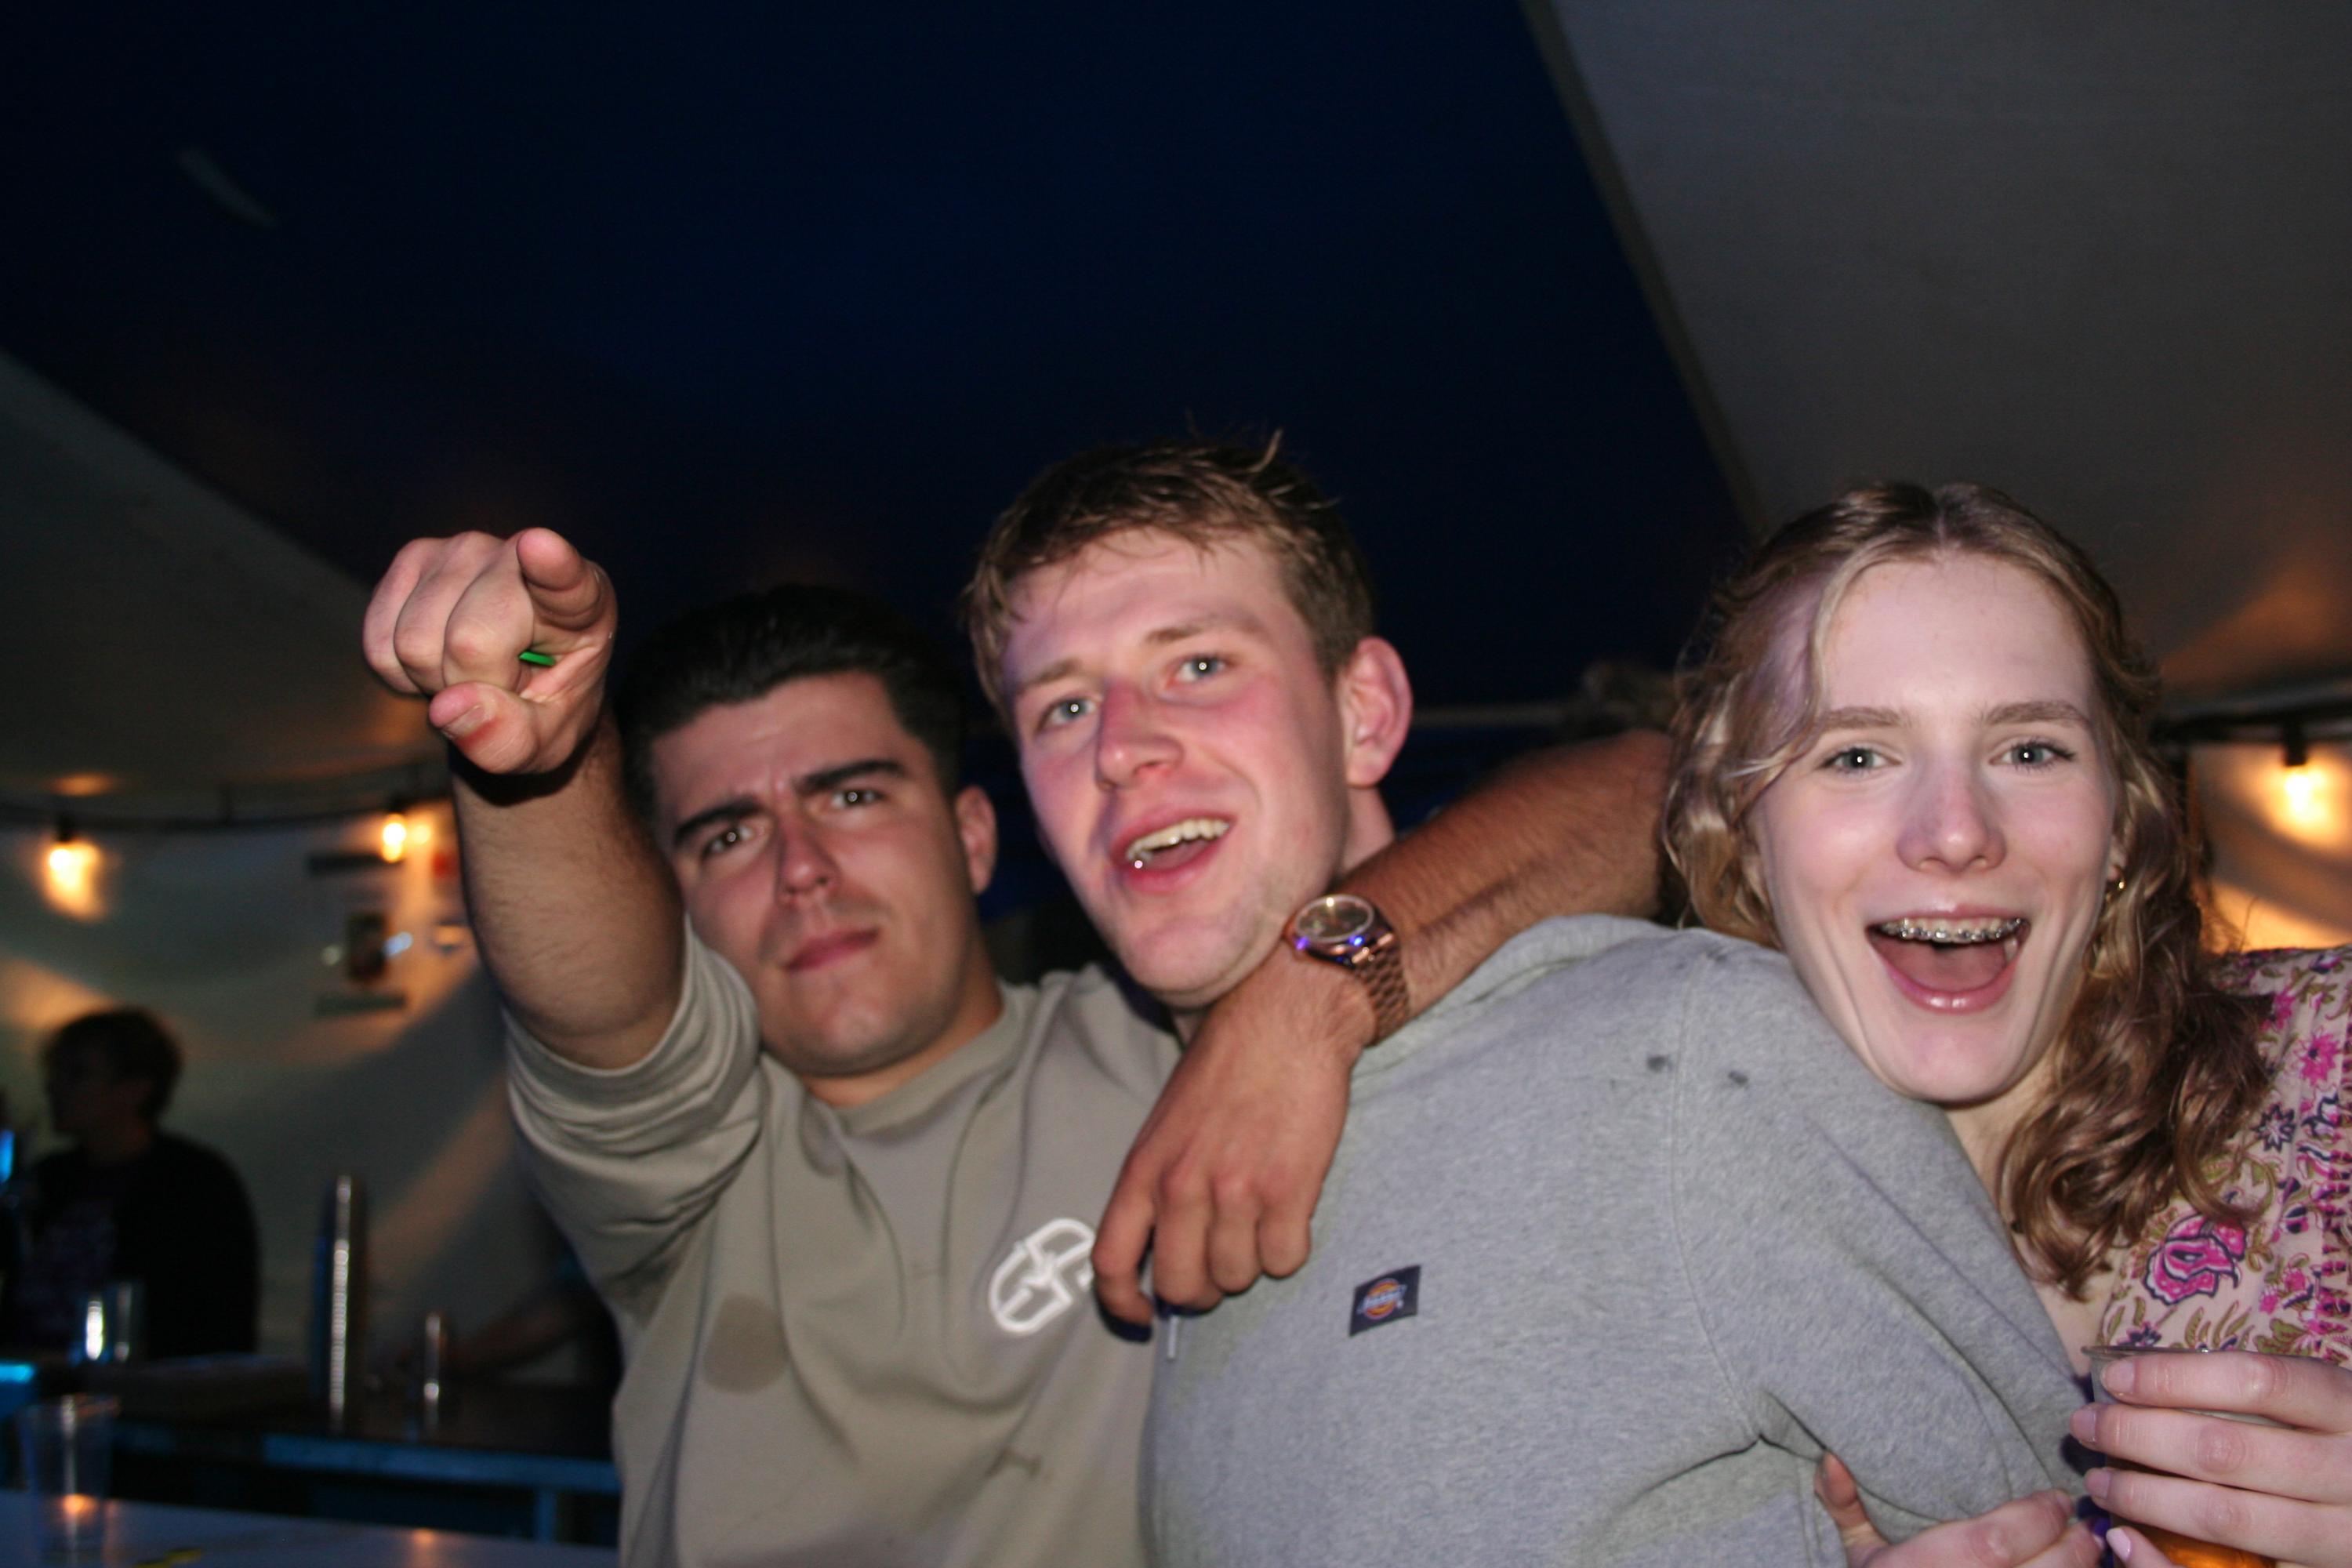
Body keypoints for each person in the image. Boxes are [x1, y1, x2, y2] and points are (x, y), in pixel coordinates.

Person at [361, 532, 1657, 1567]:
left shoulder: (1175, 1044)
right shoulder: (687, 1180)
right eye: (728, 835)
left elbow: (1647, 786)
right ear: (679, 904)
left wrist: (1304, 998)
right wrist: (537, 764)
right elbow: (591, 1002)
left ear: (977, 838)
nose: (802, 869)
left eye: (852, 795)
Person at [961, 438, 2085, 1566]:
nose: (1120, 749)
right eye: (1063, 708)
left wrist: (1310, 993)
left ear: (1364, 713)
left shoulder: (1687, 1056)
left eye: (1200, 664)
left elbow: (2047, 1520)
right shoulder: (1156, 1160)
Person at [1662, 481, 2352, 1568]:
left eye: (2030, 749)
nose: (1955, 831)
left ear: (2122, 819)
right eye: (1856, 755)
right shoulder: (1663, 1247)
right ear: (1743, 836)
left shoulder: (2334, 1070)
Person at [0, 1009, 260, 1359]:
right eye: (55, 1072)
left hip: (134, 1384)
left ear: (135, 1089)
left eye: (77, 1074)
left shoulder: (192, 1184)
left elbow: (214, 1317)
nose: (53, 1087)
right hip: (31, 1376)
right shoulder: (49, 1178)